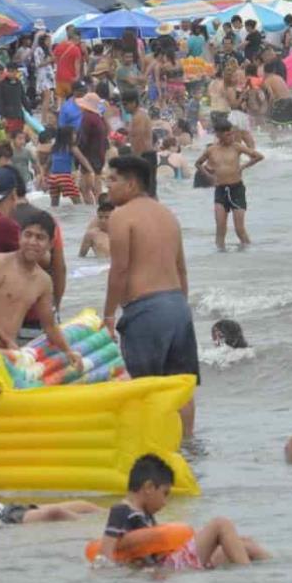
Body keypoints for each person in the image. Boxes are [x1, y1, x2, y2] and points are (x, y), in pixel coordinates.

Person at [102, 156, 197, 436]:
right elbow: (182, 269)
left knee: (145, 387)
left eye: (113, 180)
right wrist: (181, 307)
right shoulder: (167, 214)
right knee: (180, 385)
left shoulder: (122, 215)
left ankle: (151, 443)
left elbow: (119, 270)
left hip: (146, 311)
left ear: (131, 184)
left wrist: (108, 314)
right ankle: (187, 446)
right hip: (178, 306)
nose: (108, 187)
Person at [0, 208, 82, 376]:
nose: (32, 241)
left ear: (51, 244)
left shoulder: (43, 281)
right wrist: (7, 340)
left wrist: (68, 352)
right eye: (28, 235)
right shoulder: (0, 262)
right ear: (19, 237)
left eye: (40, 237)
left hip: (2, 357)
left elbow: (49, 326)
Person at [98, 454, 269, 568]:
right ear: (149, 487)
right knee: (221, 524)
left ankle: (274, 567)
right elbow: (106, 554)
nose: (165, 502)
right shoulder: (121, 511)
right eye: (165, 494)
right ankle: (248, 576)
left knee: (244, 543)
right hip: (170, 567)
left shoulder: (146, 515)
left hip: (172, 561)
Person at [195, 120, 265, 249]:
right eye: (228, 135)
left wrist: (243, 166)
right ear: (219, 135)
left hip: (236, 189)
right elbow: (198, 164)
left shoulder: (237, 147)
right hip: (220, 190)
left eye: (232, 134)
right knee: (220, 228)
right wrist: (208, 176)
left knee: (239, 229)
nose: (231, 137)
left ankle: (248, 254)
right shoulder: (211, 150)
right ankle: (220, 256)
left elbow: (259, 156)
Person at [0, 477, 101, 525]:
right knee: (57, 512)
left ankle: (102, 521)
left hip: (11, 513)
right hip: (9, 515)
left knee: (83, 505)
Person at [44, 127, 93, 207]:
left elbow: (48, 163)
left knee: (54, 205)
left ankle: (55, 218)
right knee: (78, 203)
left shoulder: (54, 148)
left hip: (53, 178)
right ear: (67, 136)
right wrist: (91, 171)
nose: (75, 136)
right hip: (64, 177)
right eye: (73, 134)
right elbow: (82, 159)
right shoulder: (71, 147)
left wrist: (45, 175)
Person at [121, 90, 156, 198]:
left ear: (134, 103)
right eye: (123, 104)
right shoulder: (138, 115)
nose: (124, 107)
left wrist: (135, 161)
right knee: (149, 191)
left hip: (144, 156)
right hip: (146, 156)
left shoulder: (138, 117)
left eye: (126, 104)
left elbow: (138, 139)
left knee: (146, 192)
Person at [76, 92, 108, 205]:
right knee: (97, 188)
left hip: (89, 157)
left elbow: (82, 140)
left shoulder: (87, 118)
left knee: (85, 188)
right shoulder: (99, 118)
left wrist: (76, 156)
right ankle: (100, 210)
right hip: (100, 156)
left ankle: (90, 212)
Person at [263, 61, 292, 138]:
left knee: (272, 124)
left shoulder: (267, 81)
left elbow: (271, 95)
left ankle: (272, 145)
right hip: (290, 101)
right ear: (274, 70)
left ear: (264, 72)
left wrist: (269, 108)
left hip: (280, 102)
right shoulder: (279, 78)